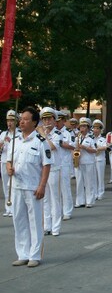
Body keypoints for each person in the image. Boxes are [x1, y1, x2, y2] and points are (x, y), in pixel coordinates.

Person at [7, 106, 52, 267]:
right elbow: (9, 160)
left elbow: (47, 165)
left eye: (26, 119)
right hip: (17, 186)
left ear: (34, 122)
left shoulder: (40, 142)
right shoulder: (15, 141)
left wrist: (42, 185)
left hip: (33, 187)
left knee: (35, 221)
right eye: (21, 119)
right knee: (19, 221)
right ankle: (23, 253)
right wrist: (8, 168)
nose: (22, 122)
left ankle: (35, 255)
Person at [37, 107, 63, 236]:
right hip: (43, 169)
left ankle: (56, 227)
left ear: (54, 120)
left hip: (54, 169)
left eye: (49, 118)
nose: (47, 121)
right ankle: (47, 225)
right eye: (44, 119)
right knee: (45, 199)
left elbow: (52, 147)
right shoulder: (40, 134)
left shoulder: (57, 134)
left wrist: (43, 134)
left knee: (55, 198)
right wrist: (42, 134)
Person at [0, 110, 20, 217]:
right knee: (5, 185)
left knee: (13, 186)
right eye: (8, 120)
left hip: (15, 162)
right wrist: (3, 141)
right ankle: (8, 208)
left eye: (12, 120)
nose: (10, 123)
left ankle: (14, 208)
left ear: (16, 121)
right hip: (4, 161)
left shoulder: (19, 133)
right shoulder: (3, 133)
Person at [56, 111, 75, 221]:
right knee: (55, 189)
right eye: (56, 121)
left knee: (65, 187)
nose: (57, 123)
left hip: (64, 163)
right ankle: (58, 210)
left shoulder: (68, 133)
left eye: (59, 121)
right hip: (54, 163)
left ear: (63, 121)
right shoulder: (51, 132)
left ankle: (67, 211)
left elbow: (73, 146)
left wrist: (61, 144)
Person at [74, 117, 97, 208]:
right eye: (81, 127)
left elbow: (95, 150)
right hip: (79, 162)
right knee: (79, 182)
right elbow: (74, 148)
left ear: (87, 128)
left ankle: (89, 201)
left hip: (88, 162)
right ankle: (80, 201)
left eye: (84, 126)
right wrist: (74, 154)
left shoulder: (91, 138)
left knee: (88, 182)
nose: (82, 128)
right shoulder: (77, 138)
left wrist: (84, 147)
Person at [92, 119, 107, 201]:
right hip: (93, 159)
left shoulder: (103, 139)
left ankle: (100, 193)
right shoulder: (91, 138)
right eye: (94, 128)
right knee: (93, 177)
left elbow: (105, 147)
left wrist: (97, 148)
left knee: (100, 177)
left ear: (100, 130)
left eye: (97, 128)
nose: (95, 130)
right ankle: (94, 193)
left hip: (100, 159)